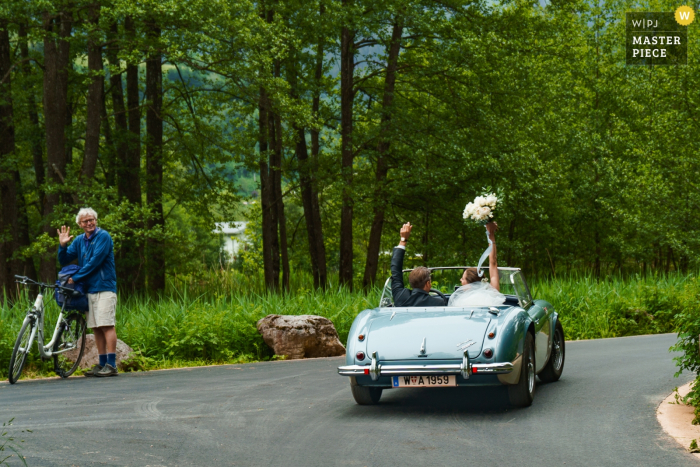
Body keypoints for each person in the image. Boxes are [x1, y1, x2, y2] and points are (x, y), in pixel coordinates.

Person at [57, 208, 119, 377]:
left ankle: (112, 365)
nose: (89, 223)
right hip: (88, 290)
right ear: (80, 224)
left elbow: (95, 262)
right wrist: (62, 245)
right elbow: (64, 260)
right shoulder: (78, 240)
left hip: (105, 287)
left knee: (106, 325)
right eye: (85, 221)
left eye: (92, 219)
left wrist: (75, 278)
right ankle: (101, 364)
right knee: (96, 328)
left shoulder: (103, 237)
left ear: (96, 220)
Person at [448, 221, 506, 307]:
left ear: (470, 285)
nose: (460, 280)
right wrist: (491, 234)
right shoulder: (492, 294)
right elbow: (493, 263)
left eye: (463, 279)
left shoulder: (462, 303)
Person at [390, 222, 447, 307]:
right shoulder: (439, 303)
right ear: (427, 284)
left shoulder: (401, 297)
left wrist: (403, 239)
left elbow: (396, 270)